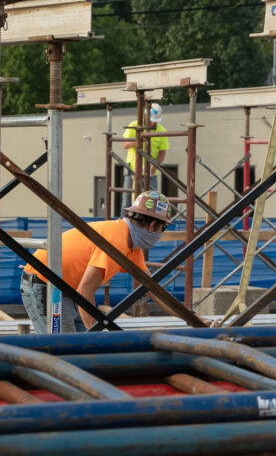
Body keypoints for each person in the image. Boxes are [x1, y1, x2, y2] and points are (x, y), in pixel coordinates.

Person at [19, 191, 172, 333]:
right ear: (152, 225)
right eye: (163, 228)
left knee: (79, 345)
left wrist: (188, 317)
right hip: (45, 282)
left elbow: (153, 289)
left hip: (64, 286)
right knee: (64, 346)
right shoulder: (116, 241)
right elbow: (85, 291)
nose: (161, 234)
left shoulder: (131, 246)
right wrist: (95, 336)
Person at [122, 103, 170, 207]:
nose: (153, 123)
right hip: (132, 170)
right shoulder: (134, 126)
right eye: (151, 120)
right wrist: (138, 142)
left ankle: (146, 222)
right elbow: (125, 145)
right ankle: (125, 221)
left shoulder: (161, 131)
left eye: (155, 121)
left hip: (151, 172)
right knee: (127, 200)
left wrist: (154, 166)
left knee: (150, 202)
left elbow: (162, 152)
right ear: (144, 116)